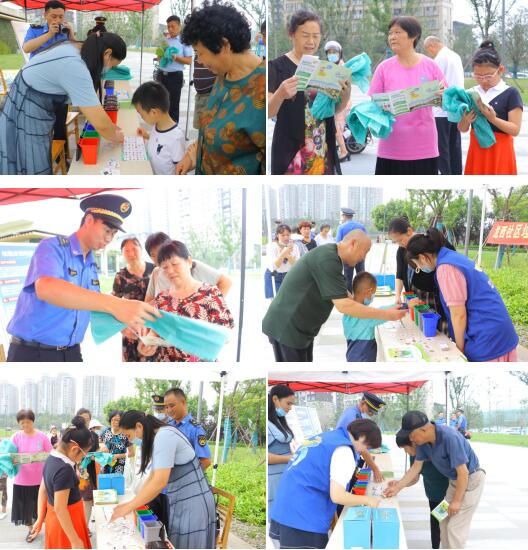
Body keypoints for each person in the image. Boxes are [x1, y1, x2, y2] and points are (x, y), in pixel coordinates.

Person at [5, 194, 159, 362]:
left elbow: (93, 308)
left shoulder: (91, 266)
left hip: (71, 352)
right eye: (107, 230)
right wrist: (117, 304)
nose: (109, 238)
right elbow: (47, 288)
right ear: (89, 220)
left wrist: (127, 326)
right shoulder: (53, 247)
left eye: (113, 233)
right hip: (33, 352)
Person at [262, 230, 406, 361]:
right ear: (353, 244)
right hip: (287, 328)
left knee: (304, 373)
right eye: (365, 252)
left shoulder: (333, 257)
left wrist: (387, 308)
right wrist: (386, 314)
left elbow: (344, 293)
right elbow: (344, 305)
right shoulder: (327, 259)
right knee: (294, 377)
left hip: (301, 331)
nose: (363, 257)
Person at [0, 32, 127, 175]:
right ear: (107, 53)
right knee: (30, 160)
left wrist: (110, 127)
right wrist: (116, 136)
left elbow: (95, 112)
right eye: (112, 65)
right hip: (26, 106)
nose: (109, 69)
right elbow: (101, 124)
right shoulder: (75, 65)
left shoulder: (76, 48)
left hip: (27, 96)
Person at [177, 1, 265, 175]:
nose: (199, 61)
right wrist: (192, 156)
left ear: (224, 46)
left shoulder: (263, 88)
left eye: (200, 53)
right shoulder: (223, 75)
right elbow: (211, 129)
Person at [406, 228, 519, 361]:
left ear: (422, 257)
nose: (420, 268)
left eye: (418, 264)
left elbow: (458, 314)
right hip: (499, 329)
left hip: (488, 338)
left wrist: (459, 349)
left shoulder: (446, 268)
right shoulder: (453, 257)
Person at [270, 419, 382, 549]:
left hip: (283, 508)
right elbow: (338, 496)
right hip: (302, 518)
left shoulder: (326, 437)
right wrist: (368, 500)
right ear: (362, 437)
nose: (364, 451)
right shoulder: (344, 450)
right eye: (367, 447)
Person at [110, 411, 216, 549]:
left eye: (129, 436)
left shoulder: (164, 436)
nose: (130, 441)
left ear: (139, 426)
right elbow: (153, 476)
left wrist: (130, 506)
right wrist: (134, 502)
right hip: (180, 501)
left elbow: (159, 482)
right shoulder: (159, 437)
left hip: (194, 503)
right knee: (176, 542)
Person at [385, 411, 485, 549]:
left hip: (471, 481)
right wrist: (397, 487)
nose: (411, 440)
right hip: (454, 482)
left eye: (411, 435)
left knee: (454, 528)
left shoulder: (450, 437)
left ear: (423, 429)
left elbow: (463, 473)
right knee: (441, 518)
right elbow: (415, 468)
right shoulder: (422, 443)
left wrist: (456, 501)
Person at [268, 10, 351, 175]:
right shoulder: (276, 67)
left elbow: (335, 110)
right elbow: (268, 112)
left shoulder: (325, 69)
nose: (311, 42)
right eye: (305, 35)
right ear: (292, 34)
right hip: (292, 152)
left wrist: (346, 92)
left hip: (322, 149)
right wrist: (280, 94)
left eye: (316, 36)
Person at [369, 16, 445, 175]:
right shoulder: (383, 68)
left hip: (424, 147)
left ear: (414, 35)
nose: (392, 37)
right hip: (391, 146)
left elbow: (448, 101)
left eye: (397, 32)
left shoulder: (431, 66)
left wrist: (443, 96)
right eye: (390, 33)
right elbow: (373, 105)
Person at [138, 240, 234, 361]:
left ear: (189, 261)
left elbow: (225, 336)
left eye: (175, 264)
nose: (170, 271)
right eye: (165, 267)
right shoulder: (161, 299)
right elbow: (154, 332)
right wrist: (148, 346)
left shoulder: (210, 294)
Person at [459, 41, 523, 175]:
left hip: (500, 150)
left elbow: (515, 130)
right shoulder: (471, 93)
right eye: (478, 76)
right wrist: (465, 120)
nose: (483, 80)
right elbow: (462, 129)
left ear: (500, 70)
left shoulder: (510, 93)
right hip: (477, 149)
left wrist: (493, 119)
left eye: (488, 76)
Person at [22, 1, 76, 156]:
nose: (57, 20)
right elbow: (26, 48)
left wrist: (71, 34)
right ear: (45, 15)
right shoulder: (36, 30)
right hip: (37, 88)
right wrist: (49, 34)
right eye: (53, 16)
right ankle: (39, 157)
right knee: (39, 125)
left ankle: (61, 157)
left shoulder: (64, 32)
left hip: (59, 86)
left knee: (60, 125)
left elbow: (75, 53)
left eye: (61, 17)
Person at [30, 417, 93, 549]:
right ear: (74, 449)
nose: (82, 458)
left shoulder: (51, 458)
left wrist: (40, 518)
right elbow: (60, 508)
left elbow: (43, 490)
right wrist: (75, 541)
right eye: (84, 454)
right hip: (67, 523)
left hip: (55, 520)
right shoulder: (64, 469)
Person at [388, 217, 456, 333]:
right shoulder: (401, 250)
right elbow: (400, 274)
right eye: (396, 242)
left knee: (440, 327)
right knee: (421, 327)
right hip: (415, 295)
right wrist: (397, 295)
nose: (400, 244)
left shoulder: (430, 243)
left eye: (401, 240)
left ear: (409, 231)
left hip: (436, 294)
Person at [394, 432, 448, 549]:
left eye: (405, 448)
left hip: (447, 494)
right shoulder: (414, 455)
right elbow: (414, 478)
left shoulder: (434, 449)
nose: (406, 452)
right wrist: (398, 484)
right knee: (435, 522)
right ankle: (435, 547)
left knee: (446, 524)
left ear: (414, 443)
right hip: (433, 494)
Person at [144, 232, 232, 301]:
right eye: (153, 255)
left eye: (161, 250)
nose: (158, 256)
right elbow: (148, 303)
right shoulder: (156, 273)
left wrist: (212, 304)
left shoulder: (192, 265)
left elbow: (225, 282)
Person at [424, 35, 464, 175]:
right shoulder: (456, 56)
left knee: (442, 148)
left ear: (432, 45)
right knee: (454, 146)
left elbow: (433, 84)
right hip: (456, 109)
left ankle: (446, 175)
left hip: (441, 110)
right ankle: (456, 173)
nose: (430, 54)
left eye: (428, 50)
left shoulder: (440, 59)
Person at [10, 409, 53, 542]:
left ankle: (49, 531)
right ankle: (31, 531)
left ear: (33, 421)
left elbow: (51, 453)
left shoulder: (42, 437)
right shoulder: (16, 437)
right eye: (22, 423)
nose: (25, 425)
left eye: (27, 422)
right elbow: (8, 454)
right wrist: (12, 459)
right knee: (25, 509)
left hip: (40, 480)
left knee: (43, 508)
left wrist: (43, 457)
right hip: (21, 479)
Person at [112, 236, 155, 362]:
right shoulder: (120, 276)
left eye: (134, 249)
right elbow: (113, 305)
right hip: (131, 330)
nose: (131, 253)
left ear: (141, 249)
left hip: (153, 329)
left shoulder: (155, 270)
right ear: (122, 254)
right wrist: (121, 328)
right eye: (127, 251)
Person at [133, 81, 185, 175]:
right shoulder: (157, 124)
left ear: (154, 112)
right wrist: (147, 136)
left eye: (141, 115)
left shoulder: (176, 138)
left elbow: (181, 171)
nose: (141, 118)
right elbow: (161, 141)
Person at [336, 392, 386, 482]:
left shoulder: (358, 413)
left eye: (373, 412)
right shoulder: (351, 416)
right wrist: (375, 468)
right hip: (343, 457)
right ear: (363, 403)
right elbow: (361, 447)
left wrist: (371, 447)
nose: (371, 414)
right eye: (370, 411)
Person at [343, 272, 392, 362]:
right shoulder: (366, 315)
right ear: (368, 291)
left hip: (351, 357)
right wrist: (405, 306)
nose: (373, 296)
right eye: (373, 293)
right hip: (364, 361)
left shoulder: (347, 314)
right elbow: (384, 311)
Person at [163, 388, 212, 470]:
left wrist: (187, 475)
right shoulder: (168, 426)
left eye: (172, 406)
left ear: (183, 403)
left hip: (184, 476)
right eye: (166, 407)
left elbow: (205, 461)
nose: (169, 410)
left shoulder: (195, 429)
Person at [157, 15, 192, 124]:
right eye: (168, 27)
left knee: (173, 104)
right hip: (161, 75)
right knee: (161, 102)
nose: (170, 29)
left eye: (173, 26)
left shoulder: (184, 42)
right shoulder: (165, 41)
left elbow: (189, 60)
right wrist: (159, 56)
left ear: (179, 26)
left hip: (175, 77)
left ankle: (173, 127)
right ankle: (161, 124)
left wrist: (176, 58)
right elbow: (159, 57)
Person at [268, 385, 296, 510]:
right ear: (275, 399)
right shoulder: (268, 423)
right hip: (274, 478)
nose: (290, 408)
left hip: (284, 474)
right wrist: (289, 458)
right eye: (288, 403)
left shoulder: (279, 421)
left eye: (292, 404)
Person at [325, 40, 353, 162]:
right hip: (333, 101)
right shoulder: (329, 66)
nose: (332, 54)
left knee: (336, 129)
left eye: (334, 52)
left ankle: (344, 151)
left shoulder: (341, 67)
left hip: (342, 102)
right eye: (329, 52)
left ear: (340, 53)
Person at [75, 409, 100, 529]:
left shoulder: (94, 436)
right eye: (82, 418)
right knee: (75, 501)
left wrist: (100, 455)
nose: (85, 421)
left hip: (89, 472)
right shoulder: (72, 434)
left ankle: (85, 527)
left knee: (87, 500)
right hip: (74, 471)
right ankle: (78, 526)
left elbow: (97, 452)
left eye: (87, 419)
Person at [265, 224, 300, 299]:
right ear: (277, 235)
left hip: (288, 276)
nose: (286, 237)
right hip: (274, 276)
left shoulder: (295, 247)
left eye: (288, 235)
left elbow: (297, 266)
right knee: (275, 301)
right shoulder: (272, 246)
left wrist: (288, 255)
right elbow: (273, 267)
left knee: (288, 300)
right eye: (283, 235)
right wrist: (283, 254)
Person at [336, 208, 367, 292]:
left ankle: (349, 296)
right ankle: (361, 295)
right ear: (351, 216)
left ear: (344, 216)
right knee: (361, 276)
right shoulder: (361, 226)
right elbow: (366, 241)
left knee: (348, 278)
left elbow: (338, 243)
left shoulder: (341, 227)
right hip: (360, 255)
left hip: (348, 256)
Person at [191, 61, 216, 130]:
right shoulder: (198, 56)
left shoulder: (213, 56)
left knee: (207, 127)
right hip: (199, 96)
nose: (199, 59)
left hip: (210, 95)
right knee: (200, 125)